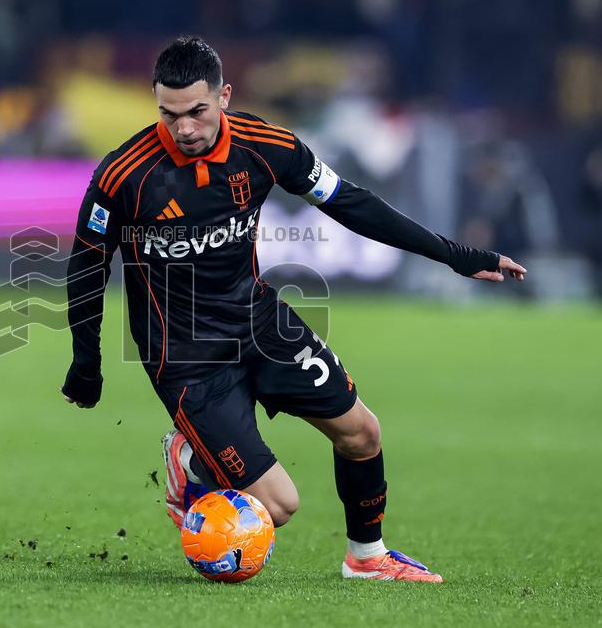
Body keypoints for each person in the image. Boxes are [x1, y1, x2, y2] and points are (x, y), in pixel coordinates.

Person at [60, 37, 526, 583]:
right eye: (168, 113)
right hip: (186, 356)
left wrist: (455, 256)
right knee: (279, 506)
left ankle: (367, 557)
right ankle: (189, 464)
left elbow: (351, 204)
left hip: (256, 321)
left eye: (196, 112)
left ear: (224, 97)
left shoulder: (265, 145)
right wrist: (85, 361)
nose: (183, 128)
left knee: (362, 433)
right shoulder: (124, 175)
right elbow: (88, 268)